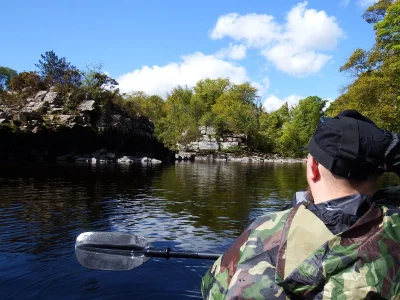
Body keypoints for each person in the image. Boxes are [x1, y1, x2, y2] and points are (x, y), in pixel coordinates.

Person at [201, 110, 400, 300]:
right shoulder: (395, 225)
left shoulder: (266, 231)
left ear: (313, 167)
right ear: (379, 171)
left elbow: (211, 288)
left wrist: (295, 213)